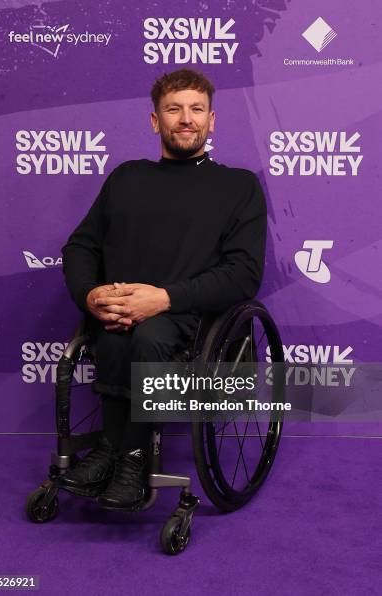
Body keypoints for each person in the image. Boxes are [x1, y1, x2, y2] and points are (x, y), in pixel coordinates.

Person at [58, 68, 267, 511]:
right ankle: (116, 450)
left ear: (212, 120)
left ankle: (127, 456)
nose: (185, 119)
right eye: (173, 110)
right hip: (120, 314)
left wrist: (163, 299)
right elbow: (81, 246)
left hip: (190, 319)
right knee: (115, 334)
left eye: (196, 110)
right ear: (156, 121)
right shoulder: (127, 178)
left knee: (149, 335)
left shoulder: (239, 186)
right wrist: (91, 295)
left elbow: (245, 273)